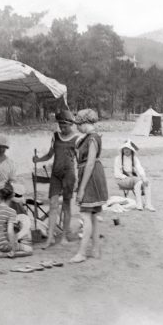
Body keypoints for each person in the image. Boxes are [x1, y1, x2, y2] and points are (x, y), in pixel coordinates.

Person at [33, 111, 79, 248]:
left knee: (66, 205)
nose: (62, 129)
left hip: (69, 175)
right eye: (60, 126)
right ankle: (50, 238)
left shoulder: (76, 139)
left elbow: (79, 159)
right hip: (55, 175)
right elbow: (49, 154)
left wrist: (79, 179)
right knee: (53, 204)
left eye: (64, 126)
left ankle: (64, 236)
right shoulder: (55, 136)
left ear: (71, 124)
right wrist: (38, 159)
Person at [70, 109, 109, 263]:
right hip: (91, 174)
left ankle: (82, 252)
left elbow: (90, 162)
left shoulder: (92, 138)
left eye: (79, 125)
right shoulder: (90, 137)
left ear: (85, 123)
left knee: (85, 214)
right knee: (92, 215)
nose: (77, 128)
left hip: (91, 176)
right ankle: (95, 249)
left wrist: (81, 188)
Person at [0, 185, 34, 258]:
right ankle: (2, 254)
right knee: (29, 250)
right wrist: (13, 247)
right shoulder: (11, 211)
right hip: (1, 244)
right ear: (12, 197)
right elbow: (10, 231)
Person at [113, 139, 156, 211]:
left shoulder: (134, 158)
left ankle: (148, 204)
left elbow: (140, 168)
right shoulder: (118, 159)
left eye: (128, 149)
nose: (126, 150)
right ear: (122, 150)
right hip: (121, 180)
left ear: (131, 150)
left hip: (134, 180)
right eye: (125, 149)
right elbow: (117, 173)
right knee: (137, 180)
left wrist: (144, 178)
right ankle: (139, 203)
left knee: (146, 182)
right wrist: (128, 177)